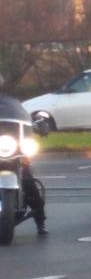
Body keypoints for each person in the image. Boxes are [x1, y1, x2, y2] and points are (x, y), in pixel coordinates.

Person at [0, 75, 47, 235]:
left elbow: (24, 120)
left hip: (12, 152)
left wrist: (39, 125)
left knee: (28, 181)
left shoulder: (12, 104)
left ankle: (40, 220)